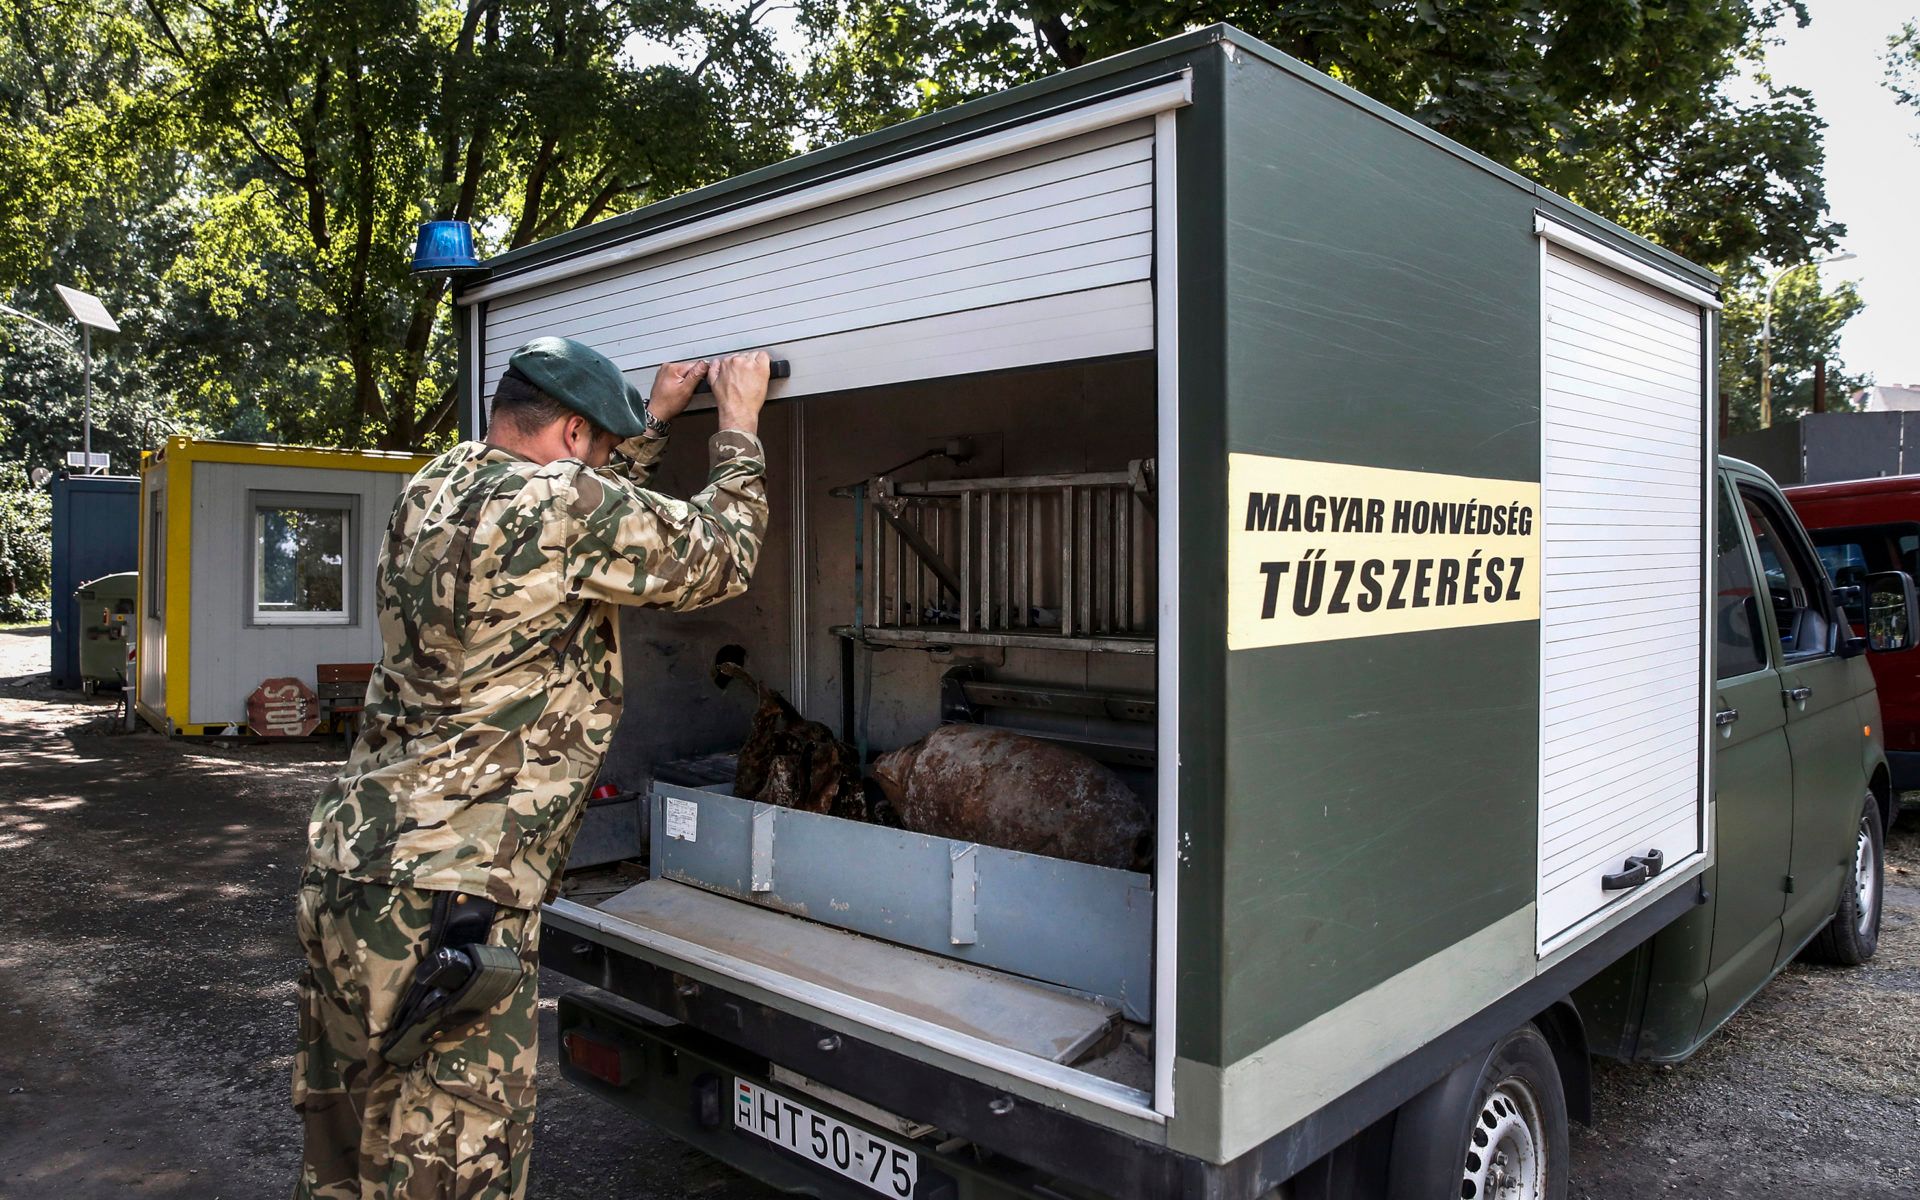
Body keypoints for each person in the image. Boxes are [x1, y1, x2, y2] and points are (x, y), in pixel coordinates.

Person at [291, 337, 772, 1199]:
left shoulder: (431, 486)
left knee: (347, 1161)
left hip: (352, 872)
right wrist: (736, 423)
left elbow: (582, 501)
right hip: (454, 899)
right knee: (452, 1169)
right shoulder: (564, 503)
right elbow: (721, 554)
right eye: (597, 439)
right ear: (576, 433)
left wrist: (647, 422)